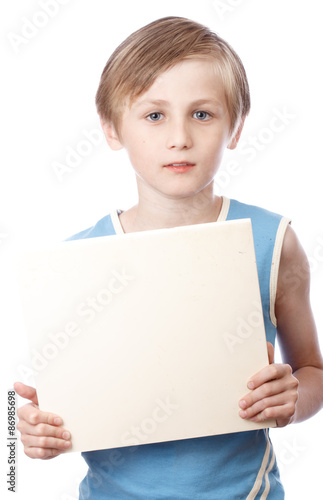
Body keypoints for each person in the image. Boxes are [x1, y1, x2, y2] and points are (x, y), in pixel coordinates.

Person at [14, 16, 323, 499]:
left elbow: (312, 374)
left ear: (236, 128)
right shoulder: (77, 261)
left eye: (202, 114)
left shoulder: (273, 240)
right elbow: (63, 409)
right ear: (113, 129)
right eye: (154, 115)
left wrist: (292, 398)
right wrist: (35, 432)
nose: (179, 137)